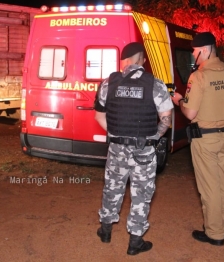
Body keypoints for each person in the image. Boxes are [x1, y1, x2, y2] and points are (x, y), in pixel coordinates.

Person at [94, 42, 173, 255]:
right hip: (144, 151)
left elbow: (99, 115)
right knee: (141, 194)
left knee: (112, 188)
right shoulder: (155, 84)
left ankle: (106, 231)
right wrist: (154, 137)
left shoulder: (108, 84)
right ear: (142, 60)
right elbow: (166, 118)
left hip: (117, 149)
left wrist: (116, 134)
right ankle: (135, 242)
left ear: (124, 61)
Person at [171, 32, 224, 246]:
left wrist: (179, 100)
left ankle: (214, 233)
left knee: (209, 187)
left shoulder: (199, 76)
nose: (193, 55)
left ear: (203, 49)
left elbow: (190, 113)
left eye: (194, 50)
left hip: (205, 139)